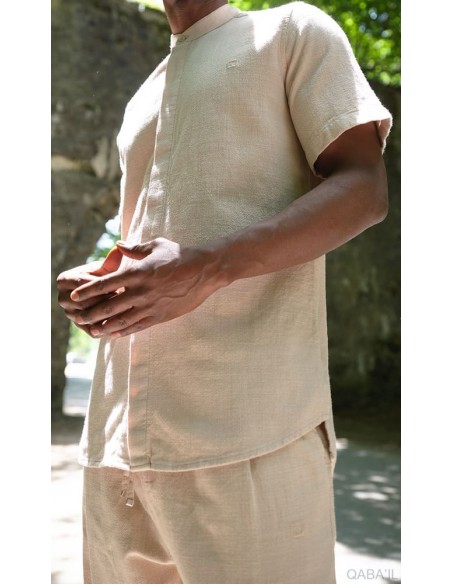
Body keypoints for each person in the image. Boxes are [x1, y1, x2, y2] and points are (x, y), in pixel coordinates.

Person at [57, 0, 392, 581]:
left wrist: (209, 267)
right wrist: (102, 285)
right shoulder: (143, 95)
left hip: (252, 434)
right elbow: (148, 237)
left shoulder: (293, 31)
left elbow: (365, 188)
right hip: (114, 450)